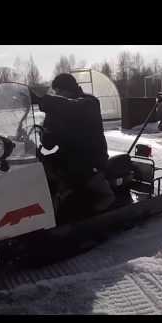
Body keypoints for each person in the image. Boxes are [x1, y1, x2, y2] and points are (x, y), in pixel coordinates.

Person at [30, 73, 115, 219]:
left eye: (60, 92)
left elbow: (72, 108)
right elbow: (49, 142)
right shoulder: (59, 108)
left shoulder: (89, 103)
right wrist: (42, 136)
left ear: (70, 89)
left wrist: (42, 100)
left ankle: (100, 201)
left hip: (91, 158)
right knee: (42, 168)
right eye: (55, 93)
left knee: (75, 180)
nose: (57, 95)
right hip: (69, 154)